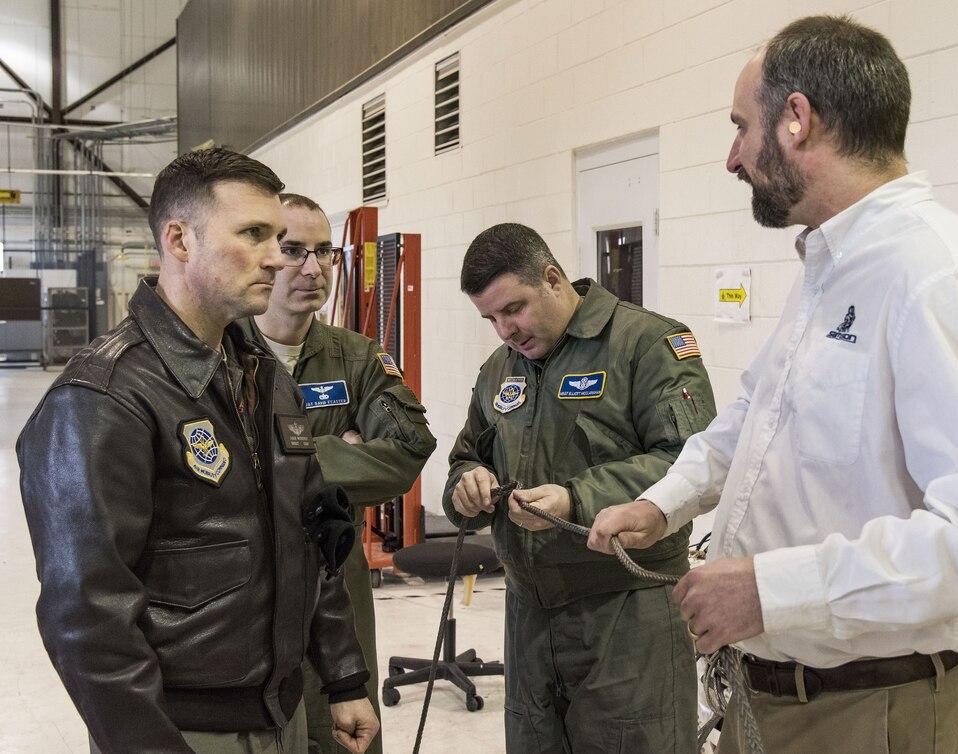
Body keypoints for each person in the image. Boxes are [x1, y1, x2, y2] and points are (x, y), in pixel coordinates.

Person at [588, 15, 958, 754]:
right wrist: (662, 502)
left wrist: (771, 591)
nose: (732, 156)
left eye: (742, 127)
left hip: (878, 713)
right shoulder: (833, 266)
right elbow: (756, 417)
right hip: (780, 698)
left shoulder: (937, 275)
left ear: (797, 120)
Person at [18, 148, 379, 754]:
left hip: (284, 714)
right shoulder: (103, 398)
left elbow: (314, 538)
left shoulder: (262, 374)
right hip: (181, 729)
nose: (277, 257)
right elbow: (87, 617)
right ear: (180, 240)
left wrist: (342, 675)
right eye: (254, 234)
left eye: (279, 237)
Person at [444, 222, 716, 752]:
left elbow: (691, 461)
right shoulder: (501, 369)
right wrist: (466, 486)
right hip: (529, 614)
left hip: (627, 609)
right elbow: (466, 455)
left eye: (514, 308)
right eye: (491, 318)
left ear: (552, 278)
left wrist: (576, 498)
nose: (505, 330)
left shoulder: (647, 345)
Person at [239, 192, 437, 754]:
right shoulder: (222, 355)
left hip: (335, 571)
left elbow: (407, 451)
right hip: (245, 580)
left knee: (345, 728)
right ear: (264, 257)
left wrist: (288, 456)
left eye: (325, 252)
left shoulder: (356, 357)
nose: (313, 267)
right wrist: (342, 449)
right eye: (295, 250)